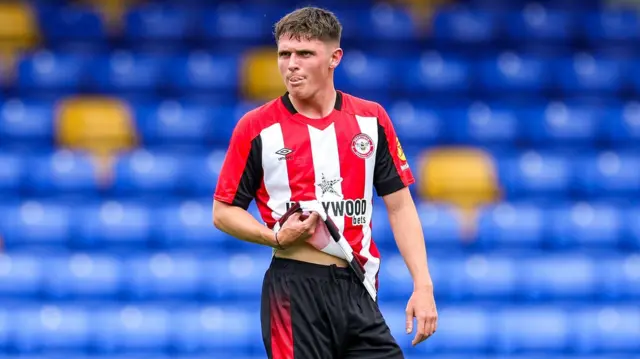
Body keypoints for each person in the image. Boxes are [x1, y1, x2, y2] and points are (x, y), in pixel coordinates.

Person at [213, 6, 437, 359]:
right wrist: (272, 236)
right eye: (284, 54)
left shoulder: (371, 119)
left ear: (335, 58)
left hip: (358, 285)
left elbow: (400, 205)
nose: (291, 64)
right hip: (294, 287)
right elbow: (223, 211)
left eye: (304, 53)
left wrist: (422, 285)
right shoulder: (256, 127)